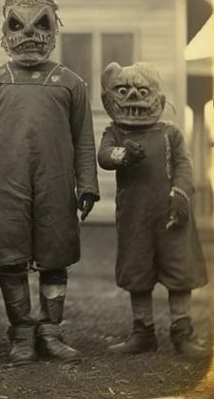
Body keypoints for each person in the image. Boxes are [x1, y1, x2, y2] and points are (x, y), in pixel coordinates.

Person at [0, 0, 99, 366]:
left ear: (54, 27)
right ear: (5, 29)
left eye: (40, 24)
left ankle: (51, 330)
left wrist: (88, 183)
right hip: (4, 187)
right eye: (18, 25)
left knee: (54, 254)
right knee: (9, 257)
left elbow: (84, 138)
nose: (29, 35)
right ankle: (22, 332)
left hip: (56, 184)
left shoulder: (71, 83)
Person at [98, 61, 208, 357]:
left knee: (179, 271)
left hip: (173, 214)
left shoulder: (170, 133)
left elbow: (184, 165)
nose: (133, 97)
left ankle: (182, 332)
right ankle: (142, 331)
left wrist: (182, 193)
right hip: (135, 215)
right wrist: (124, 154)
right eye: (124, 90)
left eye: (142, 90)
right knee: (138, 272)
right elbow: (105, 156)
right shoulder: (116, 131)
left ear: (158, 99)